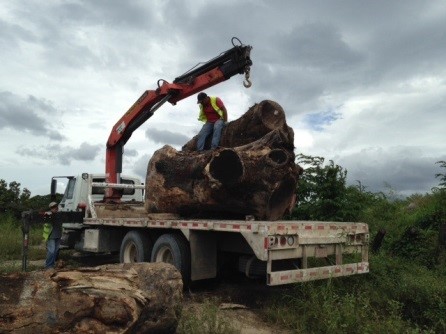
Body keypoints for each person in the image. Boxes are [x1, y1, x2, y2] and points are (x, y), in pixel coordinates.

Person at [43, 201, 62, 269]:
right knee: (51, 250)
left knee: (56, 250)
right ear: (50, 208)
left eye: (56, 206)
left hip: (58, 235)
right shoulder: (48, 214)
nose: (55, 208)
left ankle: (52, 264)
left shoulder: (60, 214)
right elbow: (44, 216)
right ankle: (48, 265)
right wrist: (47, 214)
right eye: (53, 207)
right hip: (50, 235)